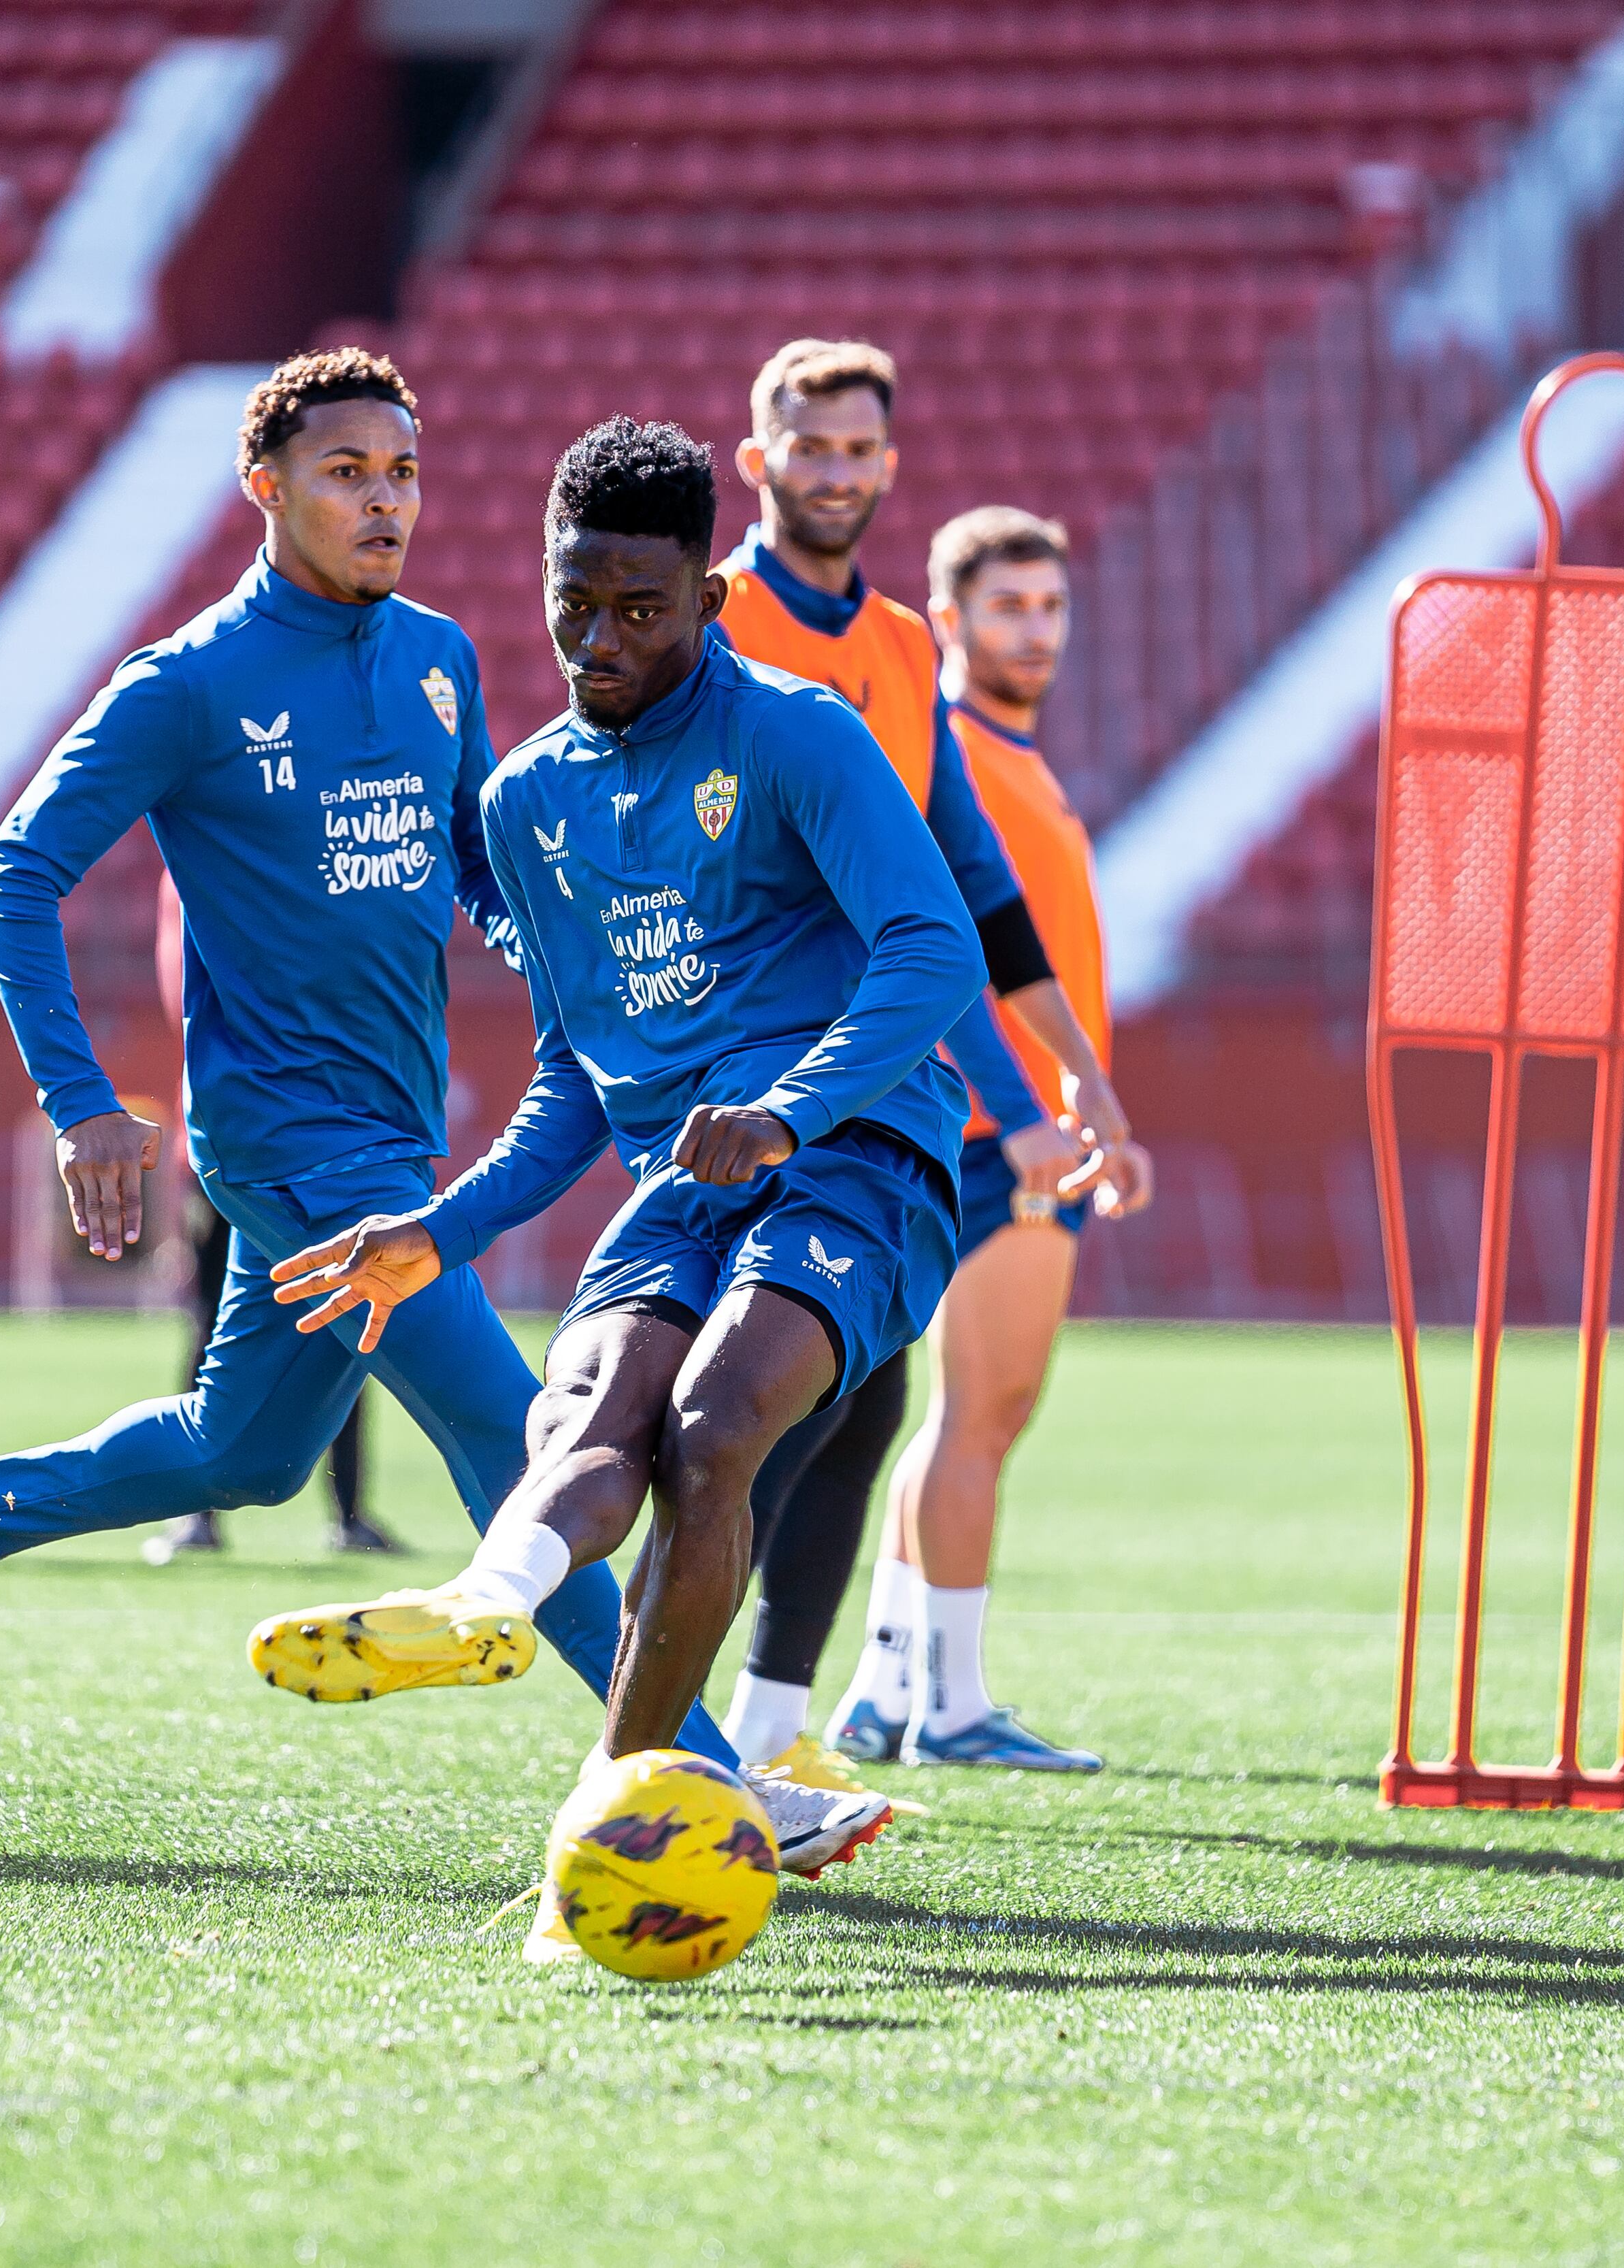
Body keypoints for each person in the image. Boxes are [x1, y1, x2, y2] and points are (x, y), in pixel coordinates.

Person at [0, 350, 738, 1784]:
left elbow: (477, 866)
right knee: (516, 1442)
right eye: (345, 474)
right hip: (284, 1142)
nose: (384, 501)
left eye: (401, 472)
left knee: (242, 1453)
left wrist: (574, 964)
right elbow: (13, 880)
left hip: (394, 1131)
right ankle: (701, 1772)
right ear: (263, 489)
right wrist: (82, 1104)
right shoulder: (188, 685)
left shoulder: (441, 657)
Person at [248, 417, 981, 1927]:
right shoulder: (525, 802)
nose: (597, 637)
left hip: (862, 1155)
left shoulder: (796, 731)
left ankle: (603, 1811)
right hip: (685, 1180)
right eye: (570, 599)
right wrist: (433, 1232)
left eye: (639, 609)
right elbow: (575, 1074)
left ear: (709, 602)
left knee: (713, 1432)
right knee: (585, 1410)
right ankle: (486, 1600)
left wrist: (786, 1107)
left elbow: (930, 946)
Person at [705, 340, 1144, 1779]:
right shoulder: (715, 625)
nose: (835, 471)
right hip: (738, 1082)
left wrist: (1075, 1072)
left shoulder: (893, 647)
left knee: (854, 1402)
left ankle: (769, 1740)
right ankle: (664, 1727)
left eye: (858, 450)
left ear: (888, 467)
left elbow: (960, 895)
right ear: (757, 460)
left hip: (876, 1092)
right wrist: (1016, 1106)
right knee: (735, 1418)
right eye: (808, 448)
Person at [826, 508, 1153, 1771]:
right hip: (986, 1131)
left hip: (1003, 1122)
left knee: (952, 1419)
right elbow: (948, 949)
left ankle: (887, 1685)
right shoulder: (958, 752)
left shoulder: (1012, 756)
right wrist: (1033, 1113)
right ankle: (950, 1708)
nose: (1037, 629)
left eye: (1052, 606)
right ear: (948, 621)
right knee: (985, 1413)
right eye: (1009, 606)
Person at [136, 878, 394, 1565]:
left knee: (346, 1313)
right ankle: (201, 1511)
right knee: (222, 1326)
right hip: (242, 1144)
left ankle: (345, 1514)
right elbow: (193, 1002)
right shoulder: (201, 869)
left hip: (308, 1139)